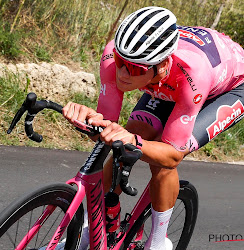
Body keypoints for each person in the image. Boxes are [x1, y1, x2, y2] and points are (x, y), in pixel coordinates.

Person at [63, 6, 244, 250]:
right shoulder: (115, 57)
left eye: (136, 69)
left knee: (162, 161)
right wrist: (88, 118)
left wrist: (137, 143)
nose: (123, 74)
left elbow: (171, 156)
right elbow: (107, 126)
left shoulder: (192, 73)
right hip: (169, 83)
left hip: (224, 87)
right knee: (123, 139)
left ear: (162, 64)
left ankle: (158, 243)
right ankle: (91, 231)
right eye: (120, 62)